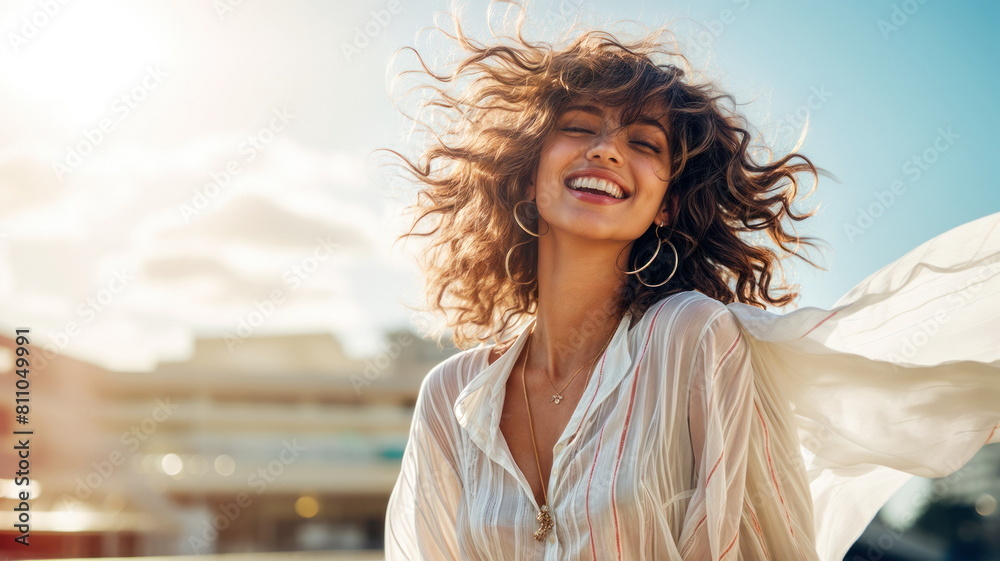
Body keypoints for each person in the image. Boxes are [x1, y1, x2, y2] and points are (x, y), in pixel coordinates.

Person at [381, 2, 1000, 559]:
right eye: (578, 126)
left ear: (667, 205)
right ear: (525, 170)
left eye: (643, 142)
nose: (606, 149)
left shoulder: (693, 337)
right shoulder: (452, 397)